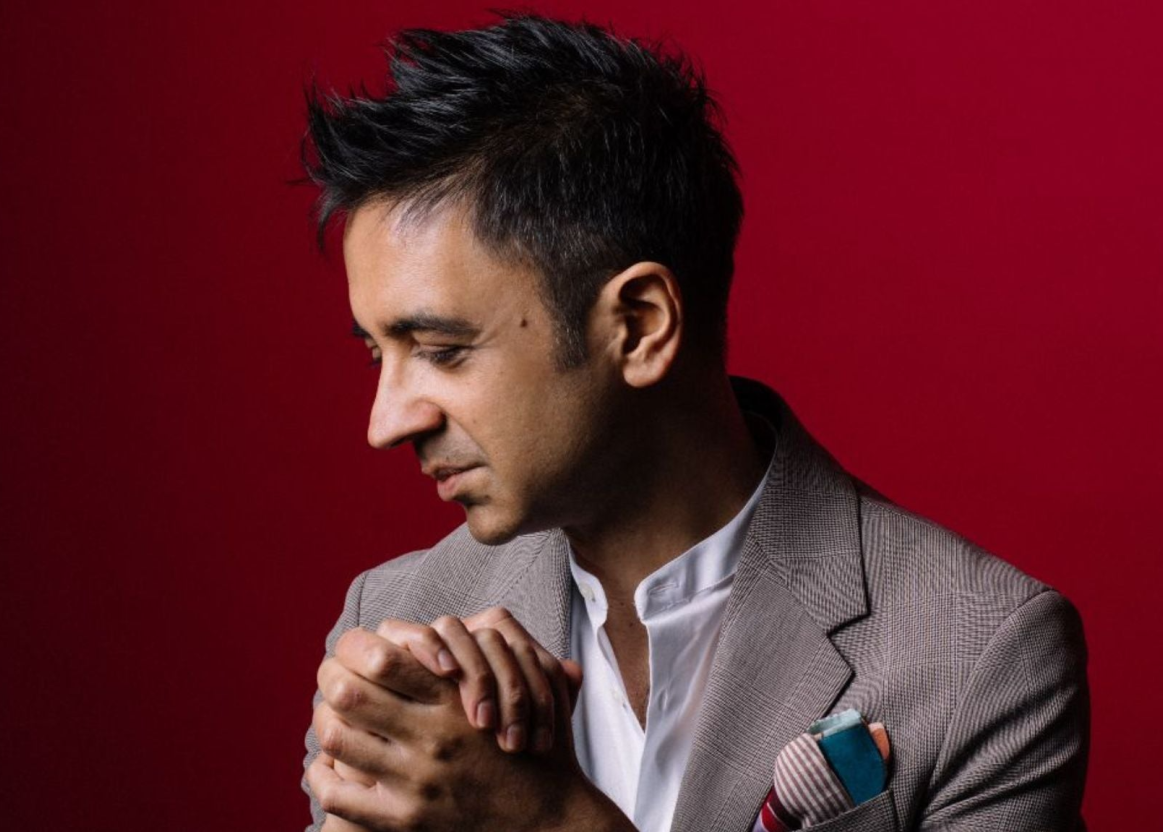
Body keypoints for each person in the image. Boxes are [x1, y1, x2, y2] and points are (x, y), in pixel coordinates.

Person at [298, 13, 1088, 832]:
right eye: (377, 355)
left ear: (640, 325)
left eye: (441, 351)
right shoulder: (393, 622)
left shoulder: (980, 652)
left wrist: (549, 820)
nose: (386, 422)